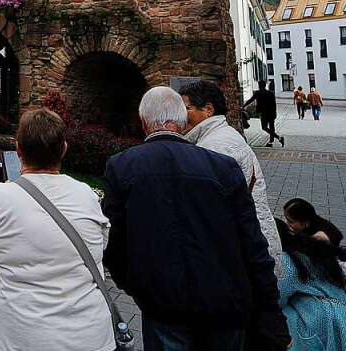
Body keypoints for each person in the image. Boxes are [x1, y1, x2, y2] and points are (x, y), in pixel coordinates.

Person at [102, 87, 289, 351]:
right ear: (181, 122)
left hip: (164, 305)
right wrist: (269, 308)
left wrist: (136, 287)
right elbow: (252, 243)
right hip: (225, 300)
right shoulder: (223, 166)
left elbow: (115, 243)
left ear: (143, 123)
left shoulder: (122, 166)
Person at [0, 107, 112, 351]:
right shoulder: (87, 195)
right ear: (64, 148)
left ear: (18, 149)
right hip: (91, 335)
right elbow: (101, 245)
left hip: (22, 336)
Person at [181, 80, 283, 277]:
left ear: (208, 109)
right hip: (250, 245)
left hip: (241, 253)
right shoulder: (219, 137)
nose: (180, 115)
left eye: (187, 108)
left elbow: (209, 210)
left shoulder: (215, 147)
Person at [276, 218, 346, 349]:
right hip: (337, 309)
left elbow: (274, 298)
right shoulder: (307, 247)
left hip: (326, 320)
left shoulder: (285, 262)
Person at [244, 79, 284, 147]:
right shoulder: (270, 93)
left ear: (260, 86)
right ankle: (272, 141)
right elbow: (274, 104)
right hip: (271, 112)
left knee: (264, 127)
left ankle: (277, 139)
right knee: (271, 127)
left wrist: (243, 106)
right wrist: (275, 113)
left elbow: (251, 100)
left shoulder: (258, 93)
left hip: (264, 113)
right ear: (265, 85)